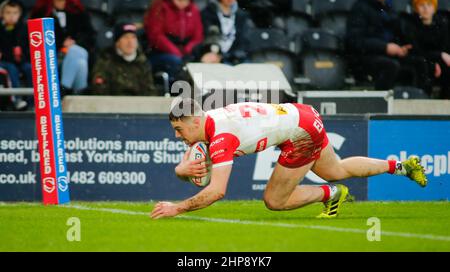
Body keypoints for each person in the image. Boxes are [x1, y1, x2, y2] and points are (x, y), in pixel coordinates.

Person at [150, 98, 427, 219]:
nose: (177, 135)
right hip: (302, 114)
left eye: (178, 129)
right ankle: (402, 166)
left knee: (274, 200)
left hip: (300, 134)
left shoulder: (222, 136)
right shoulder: (211, 120)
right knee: (336, 169)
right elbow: (201, 166)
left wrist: (178, 208)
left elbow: (216, 190)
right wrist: (180, 170)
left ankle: (330, 194)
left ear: (194, 121)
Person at [346, 0, 429, 91]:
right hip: (365, 57)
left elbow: (396, 35)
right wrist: (384, 47)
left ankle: (421, 101)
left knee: (420, 63)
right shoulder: (360, 8)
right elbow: (354, 40)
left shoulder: (391, 10)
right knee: (390, 66)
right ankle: (381, 105)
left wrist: (401, 48)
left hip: (389, 55)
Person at [30, 0, 95, 96]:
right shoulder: (41, 12)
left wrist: (74, 44)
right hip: (51, 59)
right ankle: (78, 95)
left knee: (78, 57)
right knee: (79, 57)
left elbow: (90, 35)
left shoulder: (78, 10)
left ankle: (63, 90)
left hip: (75, 56)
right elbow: (36, 39)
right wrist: (61, 45)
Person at [145, 0, 204, 85]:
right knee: (175, 62)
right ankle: (178, 89)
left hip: (187, 52)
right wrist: (175, 51)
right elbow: (156, 35)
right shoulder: (160, 8)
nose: (182, 3)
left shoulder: (193, 10)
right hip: (161, 52)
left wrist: (188, 49)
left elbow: (198, 36)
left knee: (200, 63)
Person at [401, 0, 450, 99]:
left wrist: (438, 59)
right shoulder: (411, 26)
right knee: (423, 66)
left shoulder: (442, 25)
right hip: (420, 61)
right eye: (421, 5)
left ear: (434, 8)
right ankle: (422, 100)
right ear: (416, 8)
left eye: (429, 5)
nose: (426, 8)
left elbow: (445, 47)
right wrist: (439, 56)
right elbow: (417, 50)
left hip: (437, 61)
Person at [91, 22, 157, 96]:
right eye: (125, 37)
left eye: (133, 37)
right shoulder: (105, 60)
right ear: (117, 42)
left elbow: (150, 91)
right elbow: (99, 90)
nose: (130, 41)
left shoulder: (142, 62)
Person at [201, 0, 252, 65]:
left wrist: (236, 54)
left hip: (236, 58)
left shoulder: (241, 15)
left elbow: (244, 40)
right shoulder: (208, 13)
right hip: (215, 57)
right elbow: (209, 37)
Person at [0, 0, 32, 109]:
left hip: (22, 61)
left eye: (15, 13)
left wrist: (21, 56)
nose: (11, 16)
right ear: (2, 14)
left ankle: (33, 102)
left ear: (20, 14)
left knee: (30, 68)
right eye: (8, 13)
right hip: (6, 61)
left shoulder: (24, 29)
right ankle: (17, 99)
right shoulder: (1, 30)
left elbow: (28, 49)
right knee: (11, 68)